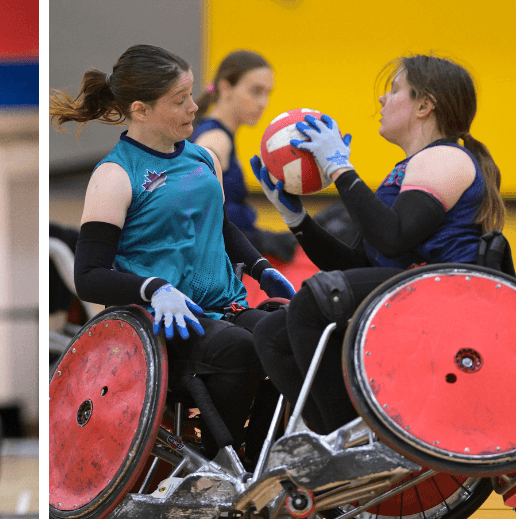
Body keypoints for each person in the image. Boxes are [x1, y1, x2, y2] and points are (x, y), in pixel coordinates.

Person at [50, 44, 295, 465]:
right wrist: (154, 288)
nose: (194, 107)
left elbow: (221, 226)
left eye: (191, 95)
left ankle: (256, 469)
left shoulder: (203, 158)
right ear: (141, 110)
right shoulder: (114, 175)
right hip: (159, 325)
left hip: (222, 306)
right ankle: (213, 461)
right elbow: (89, 274)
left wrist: (260, 267)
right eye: (180, 101)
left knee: (287, 338)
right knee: (240, 350)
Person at [250, 54, 504, 434]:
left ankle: (344, 440)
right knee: (272, 334)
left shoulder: (447, 157)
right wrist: (296, 220)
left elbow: (393, 235)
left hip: (444, 303)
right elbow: (355, 264)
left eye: (394, 89)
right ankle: (326, 436)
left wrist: (339, 167)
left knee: (312, 301)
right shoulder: (413, 166)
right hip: (408, 293)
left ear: (424, 105)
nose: (382, 101)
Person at [191, 50, 297, 263]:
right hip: (226, 255)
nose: (264, 102)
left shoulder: (217, 131)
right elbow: (195, 179)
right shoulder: (216, 137)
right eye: (256, 91)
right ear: (225, 87)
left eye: (268, 93)